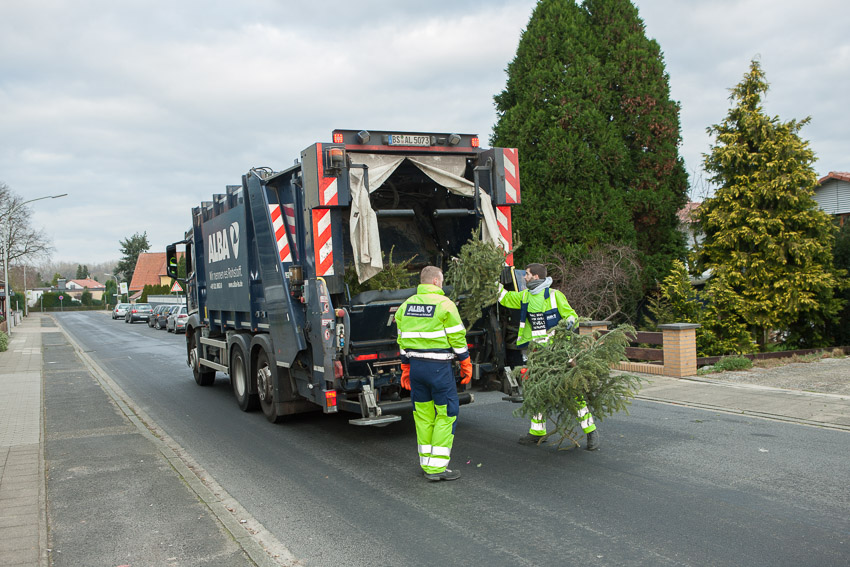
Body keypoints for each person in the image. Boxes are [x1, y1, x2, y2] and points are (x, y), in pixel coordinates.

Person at [498, 263, 599, 450]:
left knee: (573, 393)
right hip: (536, 355)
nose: (524, 277)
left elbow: (572, 316)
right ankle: (537, 432)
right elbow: (504, 298)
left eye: (527, 275)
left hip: (557, 353)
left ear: (536, 277)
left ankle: (591, 432)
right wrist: (489, 281)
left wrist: (569, 322)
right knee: (535, 392)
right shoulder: (525, 296)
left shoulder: (555, 296)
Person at [395, 265, 472, 481]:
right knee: (447, 413)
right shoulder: (445, 305)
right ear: (437, 282)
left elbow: (401, 340)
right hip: (438, 368)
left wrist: (405, 367)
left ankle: (426, 463)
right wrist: (466, 363)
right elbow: (457, 338)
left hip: (416, 368)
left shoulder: (406, 306)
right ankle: (437, 468)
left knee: (423, 415)